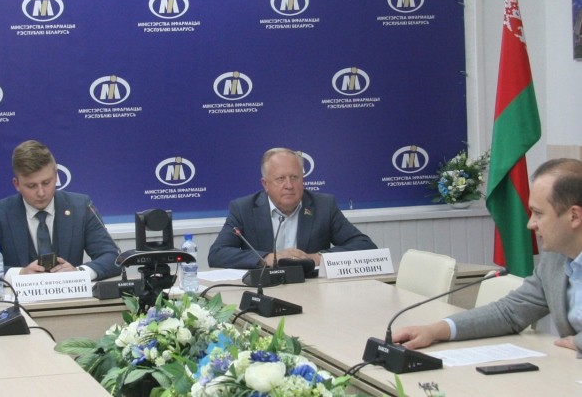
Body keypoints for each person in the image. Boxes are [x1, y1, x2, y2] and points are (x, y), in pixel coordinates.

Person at [393, 158, 582, 353]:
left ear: (574, 216)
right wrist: (434, 331)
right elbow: (510, 312)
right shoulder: (555, 259)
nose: (531, 224)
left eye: (538, 214)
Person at [0, 140, 119, 281]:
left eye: (46, 182)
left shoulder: (81, 207)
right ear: (16, 184)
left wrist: (78, 273)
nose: (41, 193)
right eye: (31, 186)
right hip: (18, 298)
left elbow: (113, 257)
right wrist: (19, 274)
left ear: (56, 176)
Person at [208, 147, 377, 269]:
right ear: (265, 184)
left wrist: (317, 258)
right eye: (280, 179)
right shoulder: (243, 208)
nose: (289, 185)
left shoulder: (323, 206)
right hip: (265, 288)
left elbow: (365, 246)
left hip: (312, 289)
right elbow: (217, 254)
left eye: (295, 177)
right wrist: (268, 258)